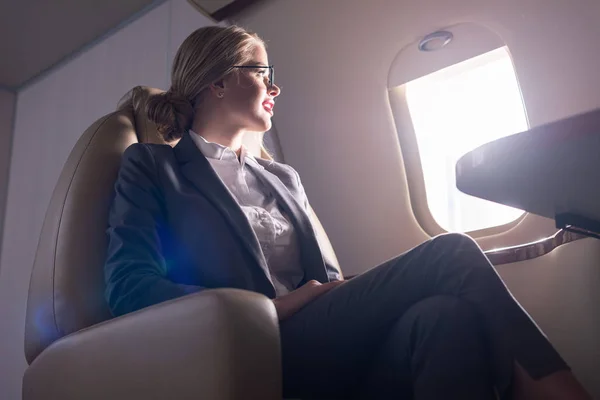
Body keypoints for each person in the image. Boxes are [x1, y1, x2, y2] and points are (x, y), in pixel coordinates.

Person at [103, 25, 591, 400]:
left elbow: (328, 283)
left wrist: (324, 295)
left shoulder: (282, 178)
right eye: (264, 74)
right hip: (256, 347)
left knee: (446, 317)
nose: (275, 89)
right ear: (219, 82)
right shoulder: (155, 167)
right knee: (451, 252)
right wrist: (269, 310)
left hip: (321, 337)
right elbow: (130, 287)